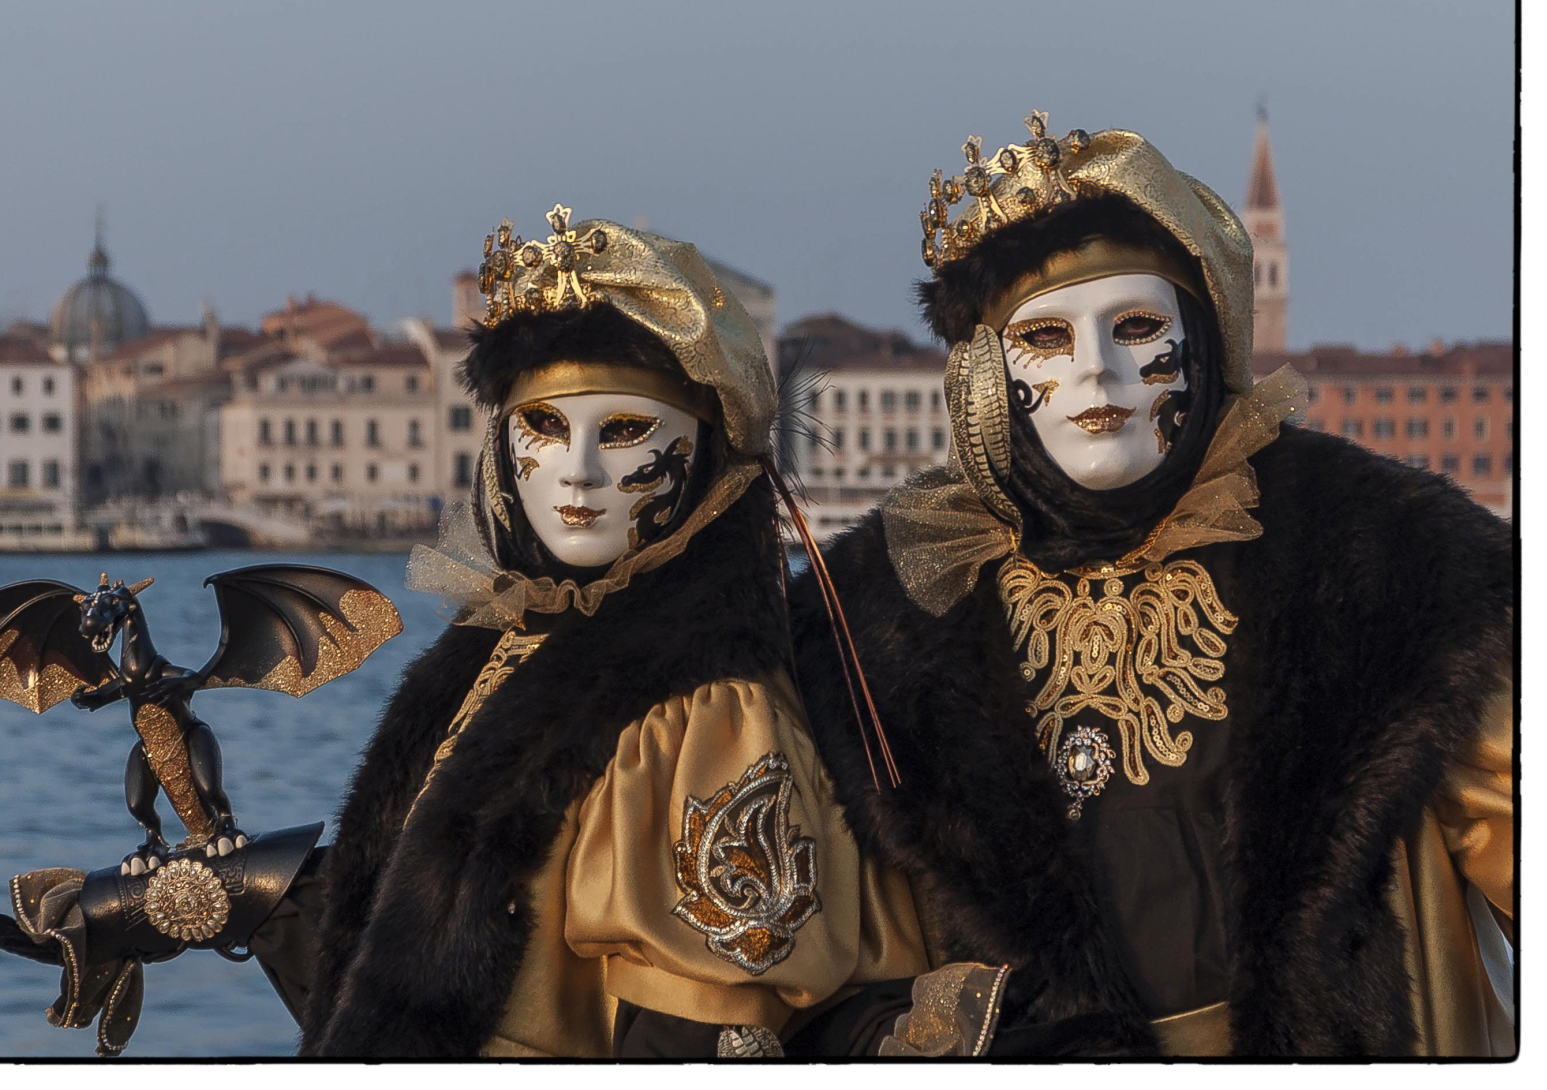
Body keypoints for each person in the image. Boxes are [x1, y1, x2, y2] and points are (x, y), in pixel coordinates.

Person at [785, 113, 1513, 1057]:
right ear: (985, 380)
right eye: (1047, 337)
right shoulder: (874, 624)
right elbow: (839, 973)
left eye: (1137, 327)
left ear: (1204, 347)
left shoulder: (1384, 564)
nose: (1100, 369)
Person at [271, 205, 882, 1057]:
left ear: (704, 461)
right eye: (545, 427)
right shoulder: (506, 645)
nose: (579, 472)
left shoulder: (709, 714)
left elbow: (693, 1034)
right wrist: (231, 892)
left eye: (626, 431)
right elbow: (424, 955)